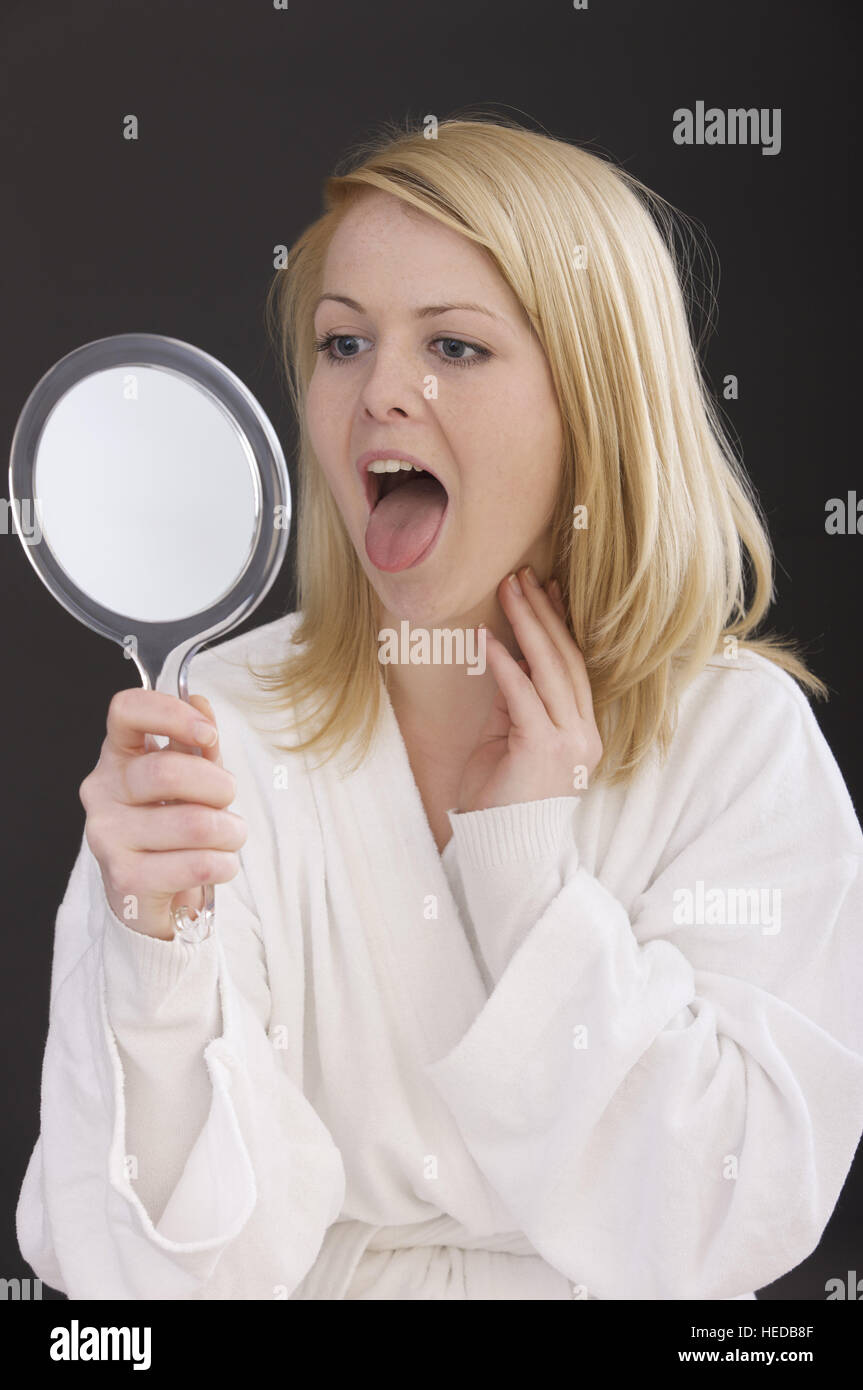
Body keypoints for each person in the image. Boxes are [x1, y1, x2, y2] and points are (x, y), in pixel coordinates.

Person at [16, 115, 863, 1300]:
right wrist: (155, 951)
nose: (379, 395)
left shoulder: (737, 742)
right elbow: (139, 1285)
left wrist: (523, 875)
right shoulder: (221, 721)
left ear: (596, 399)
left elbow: (726, 1218)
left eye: (455, 348)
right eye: (343, 342)